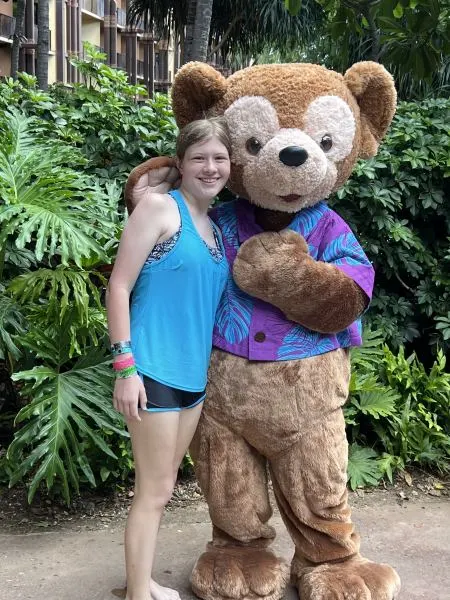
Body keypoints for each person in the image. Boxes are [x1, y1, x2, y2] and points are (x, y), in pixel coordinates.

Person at [106, 117, 231, 600]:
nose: (210, 167)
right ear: (180, 163)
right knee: (153, 492)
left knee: (163, 489)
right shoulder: (159, 208)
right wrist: (125, 368)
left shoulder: (215, 230)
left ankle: (142, 581)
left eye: (219, 158)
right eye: (199, 157)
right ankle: (138, 593)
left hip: (192, 380)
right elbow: (118, 286)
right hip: (151, 370)